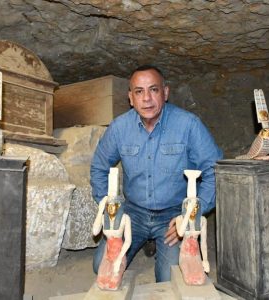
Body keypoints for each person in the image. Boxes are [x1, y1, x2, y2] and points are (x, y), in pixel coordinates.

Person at [90, 65, 223, 282]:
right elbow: (99, 167)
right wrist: (110, 209)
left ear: (166, 92)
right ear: (131, 98)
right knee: (101, 267)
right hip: (133, 214)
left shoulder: (188, 125)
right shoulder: (119, 128)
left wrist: (189, 216)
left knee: (171, 279)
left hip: (173, 217)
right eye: (139, 92)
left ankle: (157, 244)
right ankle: (146, 240)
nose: (147, 99)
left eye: (154, 90)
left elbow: (214, 171)